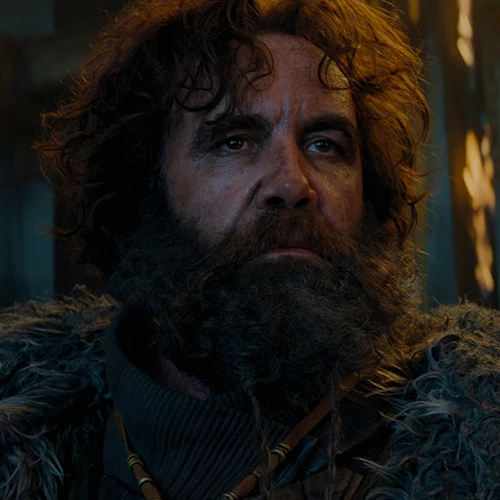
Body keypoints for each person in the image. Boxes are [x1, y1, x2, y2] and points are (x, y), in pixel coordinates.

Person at [1, 0, 499, 498]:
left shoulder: (475, 438)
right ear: (146, 186)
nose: (292, 184)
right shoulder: (28, 432)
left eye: (325, 145)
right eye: (234, 141)